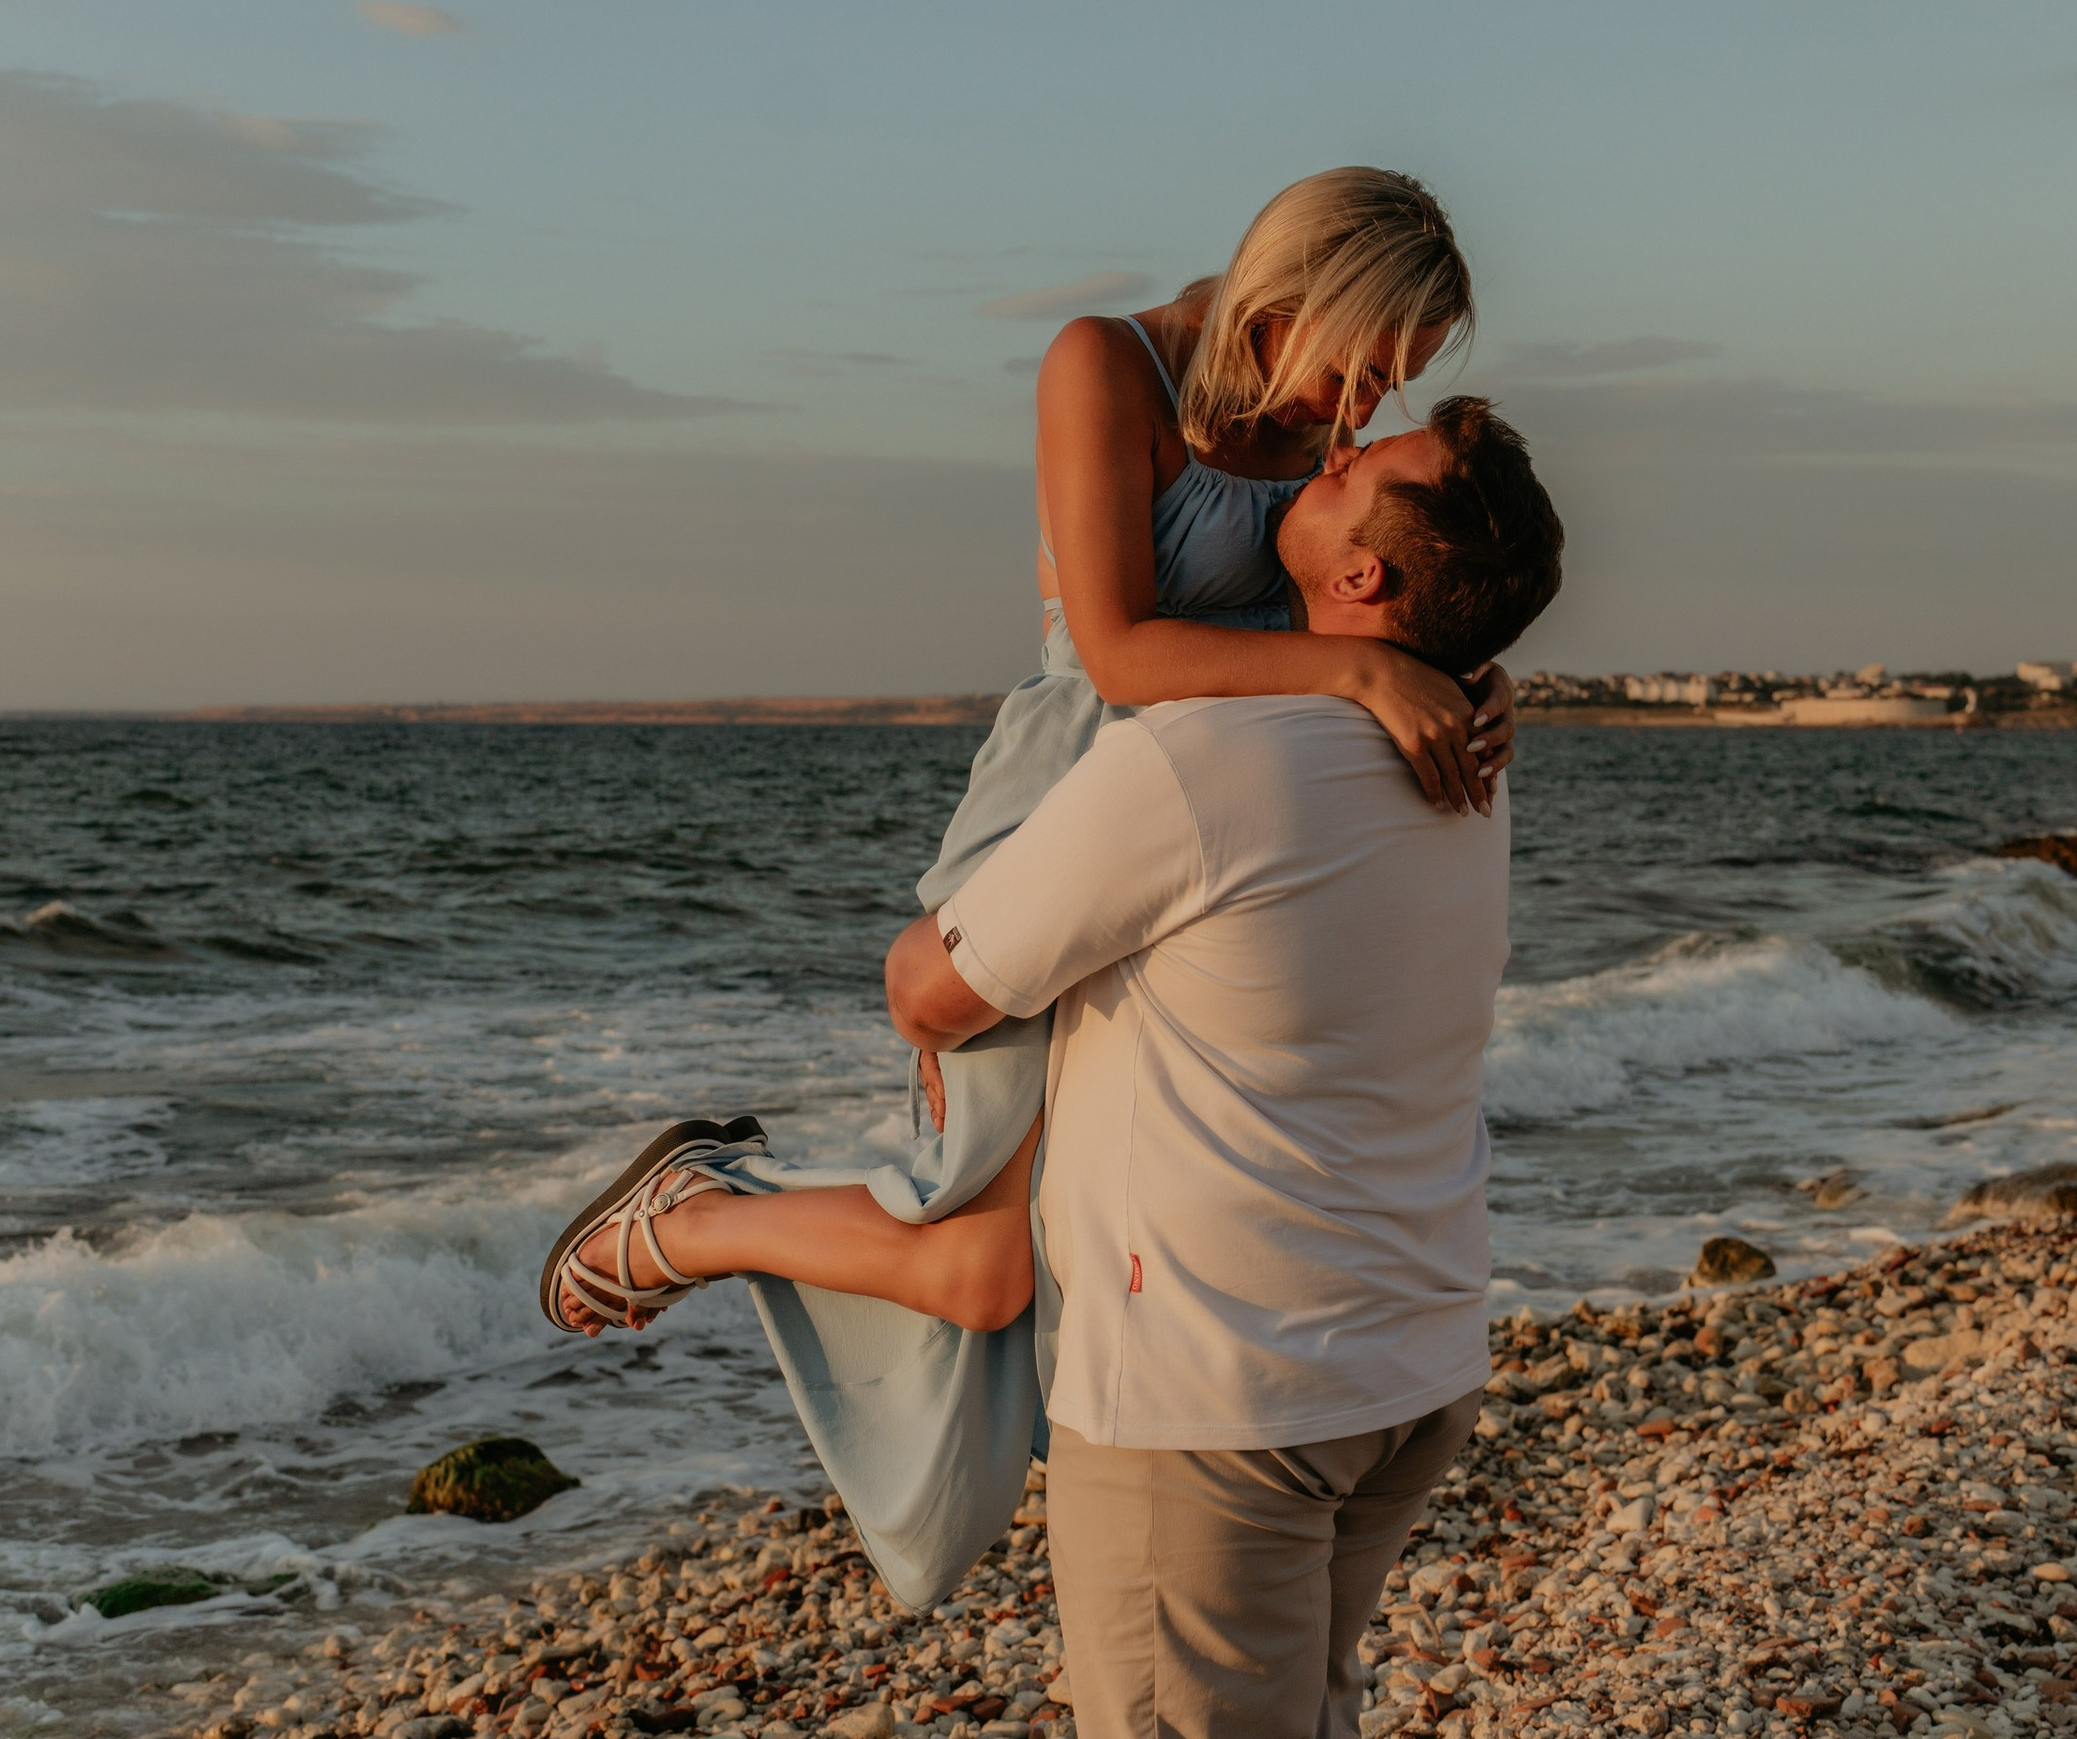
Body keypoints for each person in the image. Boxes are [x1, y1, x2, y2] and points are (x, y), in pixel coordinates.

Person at [869, 394, 1564, 1739]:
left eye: (1355, 473)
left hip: (1213, 1401)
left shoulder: (1196, 762)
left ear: (1358, 580)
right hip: (1397, 1366)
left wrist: (920, 947)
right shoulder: (1446, 746)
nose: (1308, 463)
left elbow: (947, 988)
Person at [539, 168, 1513, 1611]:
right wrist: (1363, 670)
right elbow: (1120, 654)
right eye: (1360, 365)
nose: (1361, 409)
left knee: (1006, 1271)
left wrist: (1474, 678)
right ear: (1293, 293)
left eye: (1396, 385)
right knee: (985, 1270)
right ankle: (688, 1215)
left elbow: (1389, 580)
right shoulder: (1104, 365)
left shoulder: (1320, 448)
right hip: (1060, 830)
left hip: (1194, 879)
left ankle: (697, 1219)